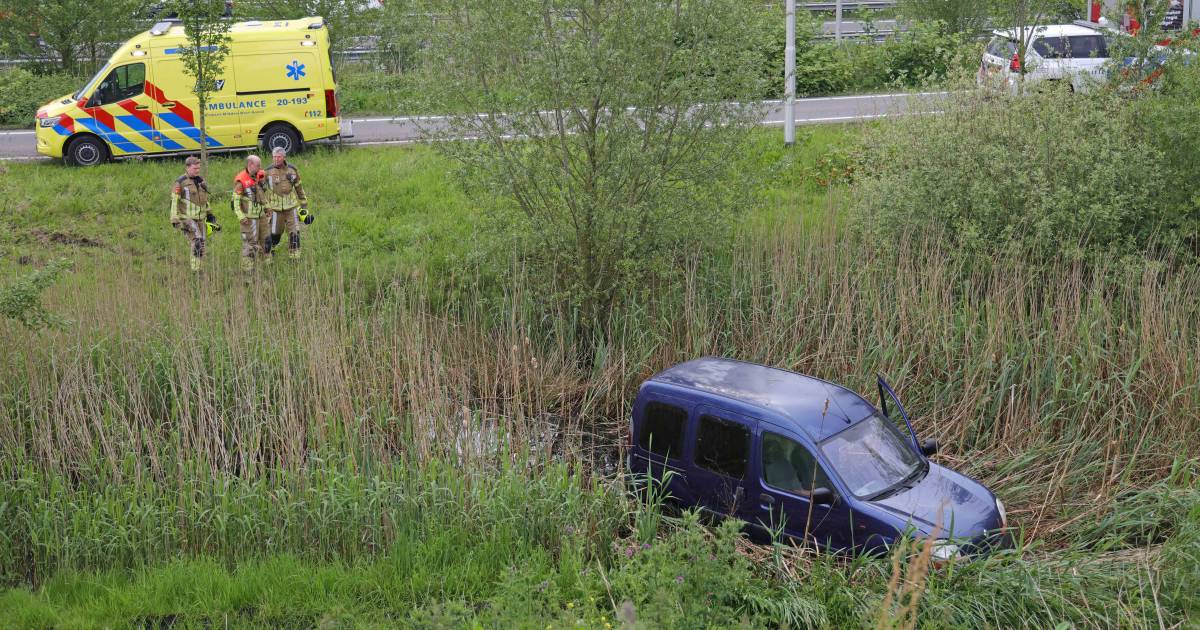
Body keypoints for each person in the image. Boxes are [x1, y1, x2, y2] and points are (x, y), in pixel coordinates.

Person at [169, 156, 216, 272]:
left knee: (203, 243)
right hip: (187, 219)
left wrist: (210, 214)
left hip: (201, 218)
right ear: (187, 167)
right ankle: (196, 271)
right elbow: (174, 202)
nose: (197, 171)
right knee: (197, 242)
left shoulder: (201, 180)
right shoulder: (180, 183)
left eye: (198, 168)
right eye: (195, 168)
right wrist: (174, 219)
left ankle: (200, 267)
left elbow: (205, 199)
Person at [261, 146, 309, 260]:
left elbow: (299, 188)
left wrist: (304, 205)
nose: (276, 159)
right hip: (275, 210)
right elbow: (260, 189)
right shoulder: (267, 171)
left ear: (284, 157)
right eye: (274, 157)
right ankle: (270, 252)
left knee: (295, 233)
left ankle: (294, 257)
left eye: (278, 157)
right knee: (275, 234)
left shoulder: (292, 170)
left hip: (291, 208)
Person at [232, 154, 269, 275]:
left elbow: (261, 195)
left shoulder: (258, 175)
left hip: (261, 216)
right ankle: (248, 271)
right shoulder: (241, 180)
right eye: (258, 165)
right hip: (249, 219)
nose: (260, 167)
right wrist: (241, 216)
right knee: (250, 244)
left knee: (266, 240)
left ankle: (266, 266)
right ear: (250, 165)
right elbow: (235, 202)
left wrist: (267, 207)